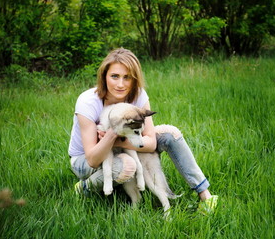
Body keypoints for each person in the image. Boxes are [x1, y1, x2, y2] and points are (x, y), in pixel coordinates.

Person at [68, 48, 218, 213]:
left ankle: (205, 196)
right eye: (114, 76)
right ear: (104, 76)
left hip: (120, 146)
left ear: (134, 79)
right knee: (127, 165)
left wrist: (118, 138)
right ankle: (85, 187)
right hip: (85, 160)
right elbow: (92, 159)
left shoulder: (138, 95)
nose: (120, 84)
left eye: (127, 77)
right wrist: (111, 135)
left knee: (170, 134)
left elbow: (151, 142)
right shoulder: (88, 102)